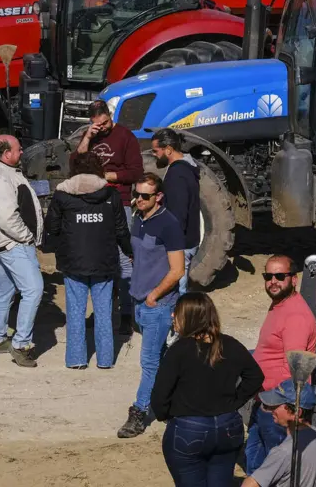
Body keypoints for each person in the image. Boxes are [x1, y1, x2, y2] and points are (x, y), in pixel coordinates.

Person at [151, 292, 264, 487]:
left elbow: (160, 396)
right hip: (228, 426)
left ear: (190, 317)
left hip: (189, 428)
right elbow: (255, 376)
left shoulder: (179, 350)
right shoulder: (230, 344)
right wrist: (235, 402)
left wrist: (167, 415)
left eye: (176, 312)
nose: (172, 316)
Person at [44, 152, 133, 370]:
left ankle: (76, 359)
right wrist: (130, 252)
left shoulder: (62, 195)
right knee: (104, 313)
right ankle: (105, 360)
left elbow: (52, 228)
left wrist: (56, 248)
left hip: (73, 261)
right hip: (104, 261)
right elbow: (122, 230)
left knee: (75, 311)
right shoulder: (111, 195)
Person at [117, 173, 185, 439]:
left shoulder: (169, 224)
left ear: (159, 197)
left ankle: (139, 412)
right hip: (140, 301)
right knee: (161, 358)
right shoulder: (138, 217)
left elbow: (178, 270)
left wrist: (154, 295)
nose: (138, 199)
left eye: (145, 195)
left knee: (149, 362)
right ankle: (173, 405)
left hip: (157, 303)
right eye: (137, 194)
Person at [75, 99, 144, 337]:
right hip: (92, 202)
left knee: (124, 260)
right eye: (96, 124)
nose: (101, 128)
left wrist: (107, 175)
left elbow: (136, 172)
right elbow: (75, 163)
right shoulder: (90, 136)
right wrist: (86, 138)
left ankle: (127, 314)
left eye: (104, 123)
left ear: (110, 116)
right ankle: (102, 311)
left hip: (119, 203)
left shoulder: (126, 137)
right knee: (98, 258)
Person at [245, 255, 316, 474]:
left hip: (278, 410)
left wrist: (282, 412)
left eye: (279, 276)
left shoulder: (295, 316)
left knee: (274, 472)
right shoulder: (280, 304)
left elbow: (294, 371)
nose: (273, 281)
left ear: (294, 280)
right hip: (265, 402)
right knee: (256, 466)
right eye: (268, 276)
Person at [0, 134, 44, 368]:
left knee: (6, 291)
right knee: (34, 289)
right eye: (18, 149)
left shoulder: (2, 172)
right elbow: (7, 218)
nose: (21, 151)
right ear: (7, 154)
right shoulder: (0, 178)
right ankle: (21, 345)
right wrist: (27, 238)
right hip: (14, 244)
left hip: (6, 243)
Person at [241, 380, 316, 487]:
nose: (270, 409)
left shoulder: (284, 452)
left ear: (297, 412)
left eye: (276, 405)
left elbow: (250, 485)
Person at [151, 128, 200, 295]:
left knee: (176, 292)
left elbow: (178, 214)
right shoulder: (187, 169)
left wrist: (169, 242)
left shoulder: (177, 174)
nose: (154, 155)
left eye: (156, 151)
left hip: (180, 245)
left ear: (168, 149)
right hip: (187, 241)